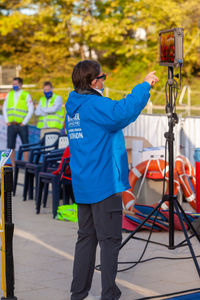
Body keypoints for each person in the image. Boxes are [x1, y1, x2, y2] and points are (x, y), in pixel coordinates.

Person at [65, 60, 159, 300]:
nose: (104, 81)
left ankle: (78, 293)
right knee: (109, 241)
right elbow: (123, 112)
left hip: (84, 185)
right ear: (93, 81)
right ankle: (109, 294)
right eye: (102, 76)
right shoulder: (94, 105)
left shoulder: (74, 107)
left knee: (86, 239)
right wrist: (144, 86)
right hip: (104, 184)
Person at [3, 77, 34, 166]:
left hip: (22, 125)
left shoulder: (26, 94)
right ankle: (13, 165)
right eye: (13, 84)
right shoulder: (10, 94)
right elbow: (5, 108)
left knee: (25, 145)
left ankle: (26, 165)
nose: (14, 86)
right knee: (10, 146)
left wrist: (24, 122)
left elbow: (31, 109)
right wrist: (7, 121)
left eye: (16, 84)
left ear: (20, 84)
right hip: (11, 124)